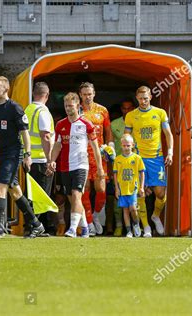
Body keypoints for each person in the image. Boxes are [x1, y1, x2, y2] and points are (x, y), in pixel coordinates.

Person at [0, 76, 47, 240]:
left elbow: (24, 133)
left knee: (0, 188)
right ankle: (37, 225)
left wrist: (28, 154)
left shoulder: (14, 108)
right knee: (15, 192)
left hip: (13, 154)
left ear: (5, 89)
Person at [47, 92, 105, 238]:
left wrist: (99, 168)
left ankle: (72, 229)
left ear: (78, 106)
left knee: (77, 195)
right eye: (66, 106)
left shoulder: (87, 124)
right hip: (64, 166)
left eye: (71, 106)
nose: (68, 109)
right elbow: (57, 145)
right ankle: (84, 227)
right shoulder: (60, 125)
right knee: (71, 198)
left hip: (81, 165)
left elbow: (96, 147)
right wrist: (52, 161)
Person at [124, 86, 174, 237]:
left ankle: (155, 216)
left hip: (156, 158)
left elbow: (168, 133)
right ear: (137, 98)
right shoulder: (131, 116)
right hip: (139, 159)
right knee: (140, 194)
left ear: (150, 97)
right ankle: (145, 226)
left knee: (160, 193)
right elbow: (127, 137)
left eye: (146, 98)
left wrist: (170, 152)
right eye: (140, 99)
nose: (143, 101)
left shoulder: (160, 113)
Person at [79, 82, 114, 236]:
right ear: (80, 95)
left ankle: (96, 215)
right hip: (82, 156)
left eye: (90, 94)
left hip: (100, 156)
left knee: (101, 189)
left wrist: (110, 147)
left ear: (94, 94)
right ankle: (89, 222)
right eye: (85, 94)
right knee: (85, 190)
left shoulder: (103, 110)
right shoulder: (77, 110)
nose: (87, 97)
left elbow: (108, 131)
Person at [24, 82, 55, 234]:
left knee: (31, 196)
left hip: (29, 160)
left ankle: (32, 227)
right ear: (47, 96)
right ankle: (34, 227)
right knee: (41, 197)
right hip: (41, 160)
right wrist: (50, 160)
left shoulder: (28, 110)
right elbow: (46, 136)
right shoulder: (42, 111)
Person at [110, 98, 135, 236]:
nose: (126, 111)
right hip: (118, 165)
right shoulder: (114, 124)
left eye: (129, 108)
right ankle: (119, 225)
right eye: (124, 108)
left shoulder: (138, 120)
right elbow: (110, 144)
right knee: (118, 196)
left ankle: (137, 226)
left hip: (135, 164)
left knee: (136, 197)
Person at [113, 134, 145, 238]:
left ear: (132, 145)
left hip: (133, 188)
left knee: (133, 208)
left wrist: (141, 187)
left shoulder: (137, 158)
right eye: (124, 145)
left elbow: (142, 173)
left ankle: (136, 223)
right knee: (125, 210)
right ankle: (128, 231)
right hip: (122, 189)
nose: (126, 148)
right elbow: (115, 174)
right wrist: (117, 189)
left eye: (128, 145)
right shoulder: (118, 159)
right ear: (121, 146)